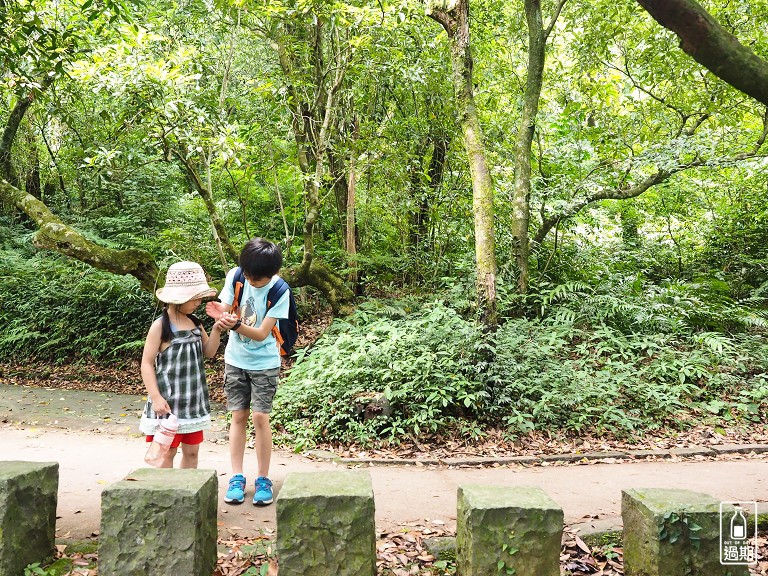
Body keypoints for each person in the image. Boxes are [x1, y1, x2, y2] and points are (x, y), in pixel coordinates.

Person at [206, 238, 290, 506]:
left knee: (260, 417)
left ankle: (263, 478)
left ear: (273, 273)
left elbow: (262, 332)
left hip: (265, 362)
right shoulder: (237, 275)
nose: (252, 282)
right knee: (238, 416)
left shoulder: (280, 290)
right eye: (250, 277)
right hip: (235, 359)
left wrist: (235, 325)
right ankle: (237, 476)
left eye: (258, 280)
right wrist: (220, 315)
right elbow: (225, 308)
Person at [139, 261, 227, 469]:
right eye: (195, 298)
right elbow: (146, 363)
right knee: (166, 452)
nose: (199, 302)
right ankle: (167, 495)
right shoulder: (160, 326)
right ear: (180, 298)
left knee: (192, 452)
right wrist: (156, 397)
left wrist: (216, 330)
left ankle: (188, 496)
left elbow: (209, 352)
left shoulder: (195, 323)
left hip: (193, 401)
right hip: (168, 403)